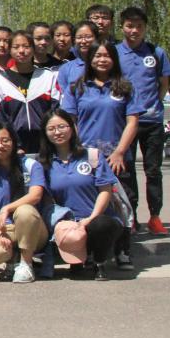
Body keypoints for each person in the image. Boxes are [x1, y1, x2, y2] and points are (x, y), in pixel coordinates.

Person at [59, 39, 139, 270]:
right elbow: (70, 121)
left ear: (114, 59)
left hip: (116, 158)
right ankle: (88, 252)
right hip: (87, 158)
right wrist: (77, 151)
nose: (102, 60)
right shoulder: (78, 87)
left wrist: (119, 152)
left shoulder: (125, 87)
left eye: (107, 55)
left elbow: (132, 121)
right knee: (89, 205)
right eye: (97, 56)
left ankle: (123, 250)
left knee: (123, 204)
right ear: (89, 59)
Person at [40, 108, 124, 281]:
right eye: (51, 128)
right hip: (67, 223)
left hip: (97, 218)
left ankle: (99, 262)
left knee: (100, 225)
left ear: (72, 128)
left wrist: (91, 217)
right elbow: (46, 198)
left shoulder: (92, 155)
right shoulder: (44, 163)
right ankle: (77, 258)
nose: (57, 132)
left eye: (62, 126)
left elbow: (105, 190)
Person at [115, 6, 170, 235]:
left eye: (139, 26)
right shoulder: (114, 53)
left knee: (153, 170)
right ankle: (131, 217)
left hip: (152, 121)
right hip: (125, 123)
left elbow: (164, 83)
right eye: (130, 26)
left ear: (145, 28)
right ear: (122, 27)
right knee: (126, 171)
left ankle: (155, 216)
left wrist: (153, 104)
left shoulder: (156, 52)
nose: (134, 30)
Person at [0, 124, 49, 283]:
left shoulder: (31, 165)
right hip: (3, 227)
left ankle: (26, 264)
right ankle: (12, 259)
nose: (0, 145)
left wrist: (7, 208)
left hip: (33, 227)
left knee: (25, 211)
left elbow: (35, 195)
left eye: (5, 140)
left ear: (14, 142)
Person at [0, 31, 58, 151]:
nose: (21, 51)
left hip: (46, 145)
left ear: (33, 49)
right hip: (14, 147)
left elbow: (56, 109)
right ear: (9, 50)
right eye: (16, 47)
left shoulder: (47, 76)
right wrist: (12, 145)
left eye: (26, 46)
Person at [55, 21, 100, 94]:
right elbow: (64, 95)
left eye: (88, 37)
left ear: (97, 38)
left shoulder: (105, 64)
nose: (83, 41)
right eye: (79, 37)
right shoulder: (66, 68)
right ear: (74, 40)